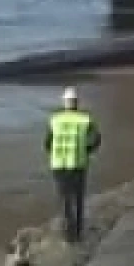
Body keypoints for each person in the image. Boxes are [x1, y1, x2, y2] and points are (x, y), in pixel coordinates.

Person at [44, 87, 102, 243]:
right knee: (78, 199)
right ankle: (78, 233)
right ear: (77, 103)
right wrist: (87, 150)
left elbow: (47, 143)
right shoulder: (85, 119)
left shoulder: (54, 120)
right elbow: (97, 140)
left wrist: (54, 152)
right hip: (78, 164)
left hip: (59, 165)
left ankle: (67, 234)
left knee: (64, 200)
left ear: (64, 102)